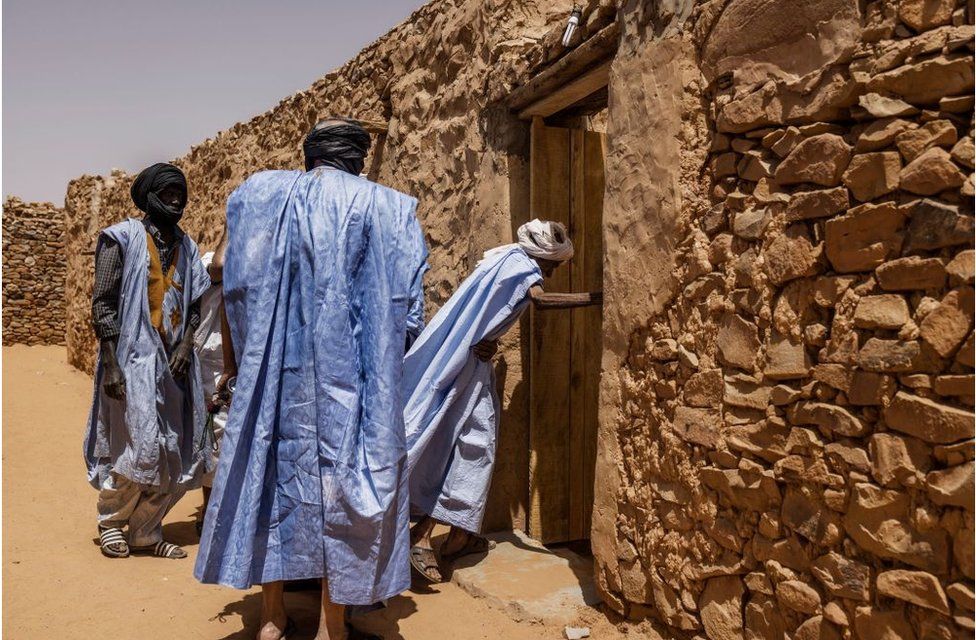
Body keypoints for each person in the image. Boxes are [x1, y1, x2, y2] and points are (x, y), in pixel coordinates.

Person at [194, 118, 427, 640]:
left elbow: (229, 275)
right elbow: (407, 311)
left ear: (311, 155)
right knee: (342, 488)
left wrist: (244, 357)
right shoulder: (388, 207)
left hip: (276, 378)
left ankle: (273, 616)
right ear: (357, 159)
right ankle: (332, 624)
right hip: (352, 385)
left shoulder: (261, 196)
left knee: (275, 479)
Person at [403, 219, 601, 583]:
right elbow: (540, 302)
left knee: (471, 444)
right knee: (468, 444)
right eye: (553, 266)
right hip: (464, 368)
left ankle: (457, 533)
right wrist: (595, 299)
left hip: (468, 363)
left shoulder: (504, 259)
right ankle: (424, 535)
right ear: (542, 256)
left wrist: (488, 338)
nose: (552, 274)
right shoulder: (523, 268)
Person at [84, 162, 212, 560]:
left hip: (174, 366)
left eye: (180, 193)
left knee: (175, 449)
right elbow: (103, 303)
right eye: (168, 193)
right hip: (130, 360)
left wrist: (185, 347)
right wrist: (112, 363)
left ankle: (145, 530)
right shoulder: (120, 239)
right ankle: (111, 522)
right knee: (135, 446)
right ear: (150, 197)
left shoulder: (187, 247)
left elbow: (195, 305)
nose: (176, 199)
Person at [193, 251, 228, 536]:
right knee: (214, 438)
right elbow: (219, 268)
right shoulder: (208, 261)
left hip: (247, 362)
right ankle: (210, 512)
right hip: (213, 364)